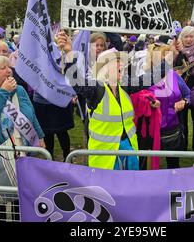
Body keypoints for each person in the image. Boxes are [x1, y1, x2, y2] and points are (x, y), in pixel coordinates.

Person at [57, 31, 161, 170]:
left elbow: (150, 78)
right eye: (117, 63)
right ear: (105, 67)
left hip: (129, 153)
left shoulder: (124, 86)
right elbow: (76, 80)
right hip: (105, 158)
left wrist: (170, 57)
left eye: (122, 63)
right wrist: (69, 54)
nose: (122, 66)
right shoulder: (95, 88)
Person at [0, 55, 45, 221]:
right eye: (3, 68)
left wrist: (40, 136)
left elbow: (31, 115)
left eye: (8, 66)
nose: (9, 70)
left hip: (21, 150)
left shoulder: (20, 90)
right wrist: (3, 92)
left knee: (20, 198)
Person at [145, 44, 191, 169]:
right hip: (151, 129)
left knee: (173, 166)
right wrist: (148, 103)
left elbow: (189, 94)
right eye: (164, 56)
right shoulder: (144, 77)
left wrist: (185, 101)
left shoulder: (173, 75)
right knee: (150, 167)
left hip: (173, 128)